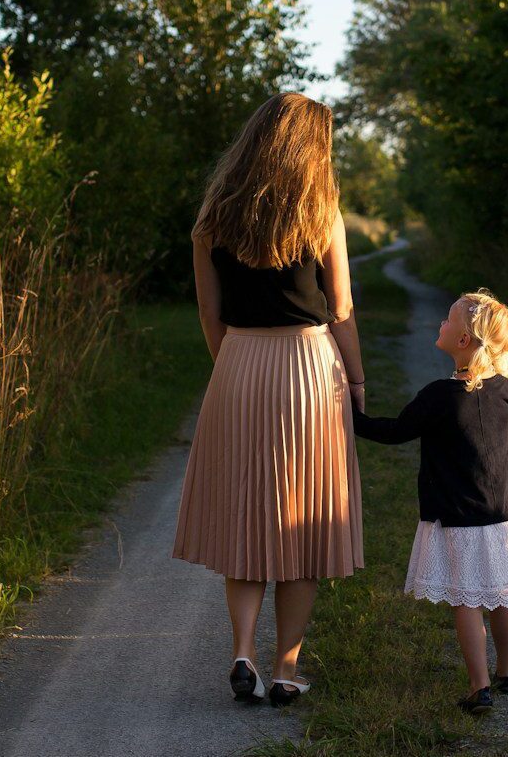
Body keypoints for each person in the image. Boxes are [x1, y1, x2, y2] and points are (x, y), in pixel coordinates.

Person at [172, 93, 367, 708]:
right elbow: (340, 310)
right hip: (308, 368)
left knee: (247, 515)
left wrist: (231, 364)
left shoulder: (213, 218)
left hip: (239, 363)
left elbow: (209, 311)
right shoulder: (321, 213)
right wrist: (357, 383)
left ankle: (241, 653)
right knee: (302, 519)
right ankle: (286, 668)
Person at [352, 289, 508, 715]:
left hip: (459, 515)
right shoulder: (507, 391)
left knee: (467, 600)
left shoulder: (439, 395)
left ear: (464, 341)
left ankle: (479, 686)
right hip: (504, 515)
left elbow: (395, 431)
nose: (441, 324)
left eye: (448, 320)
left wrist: (348, 416)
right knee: (502, 596)